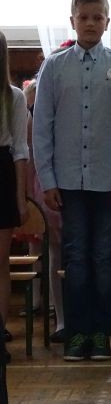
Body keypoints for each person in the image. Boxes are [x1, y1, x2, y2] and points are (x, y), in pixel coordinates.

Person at [33, 0, 111, 361]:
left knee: (103, 257)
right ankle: (77, 333)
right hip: (68, 183)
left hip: (108, 183)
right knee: (76, 258)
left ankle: (100, 332)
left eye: (98, 18)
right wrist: (47, 179)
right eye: (84, 17)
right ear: (73, 21)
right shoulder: (54, 67)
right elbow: (42, 127)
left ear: (107, 22)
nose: (91, 24)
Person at [22, 78, 65, 344]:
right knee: (54, 253)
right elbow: (28, 156)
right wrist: (29, 195)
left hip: (73, 182)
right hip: (47, 185)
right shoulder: (35, 114)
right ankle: (61, 317)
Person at [0, 31, 29, 363]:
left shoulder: (13, 97)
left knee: (0, 263)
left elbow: (20, 150)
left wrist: (21, 198)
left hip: (2, 174)